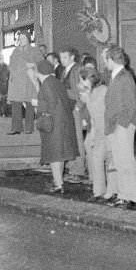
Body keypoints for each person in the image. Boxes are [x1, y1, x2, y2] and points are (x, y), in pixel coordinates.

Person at [33, 59, 79, 194]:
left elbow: (50, 104)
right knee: (60, 154)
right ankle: (59, 182)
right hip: (63, 123)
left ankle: (58, 184)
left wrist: (37, 103)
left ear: (40, 71)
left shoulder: (47, 84)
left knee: (54, 155)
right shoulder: (56, 82)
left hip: (53, 125)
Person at [104, 46, 136, 210]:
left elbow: (131, 104)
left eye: (106, 60)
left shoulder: (124, 77)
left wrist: (121, 125)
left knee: (125, 161)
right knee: (119, 161)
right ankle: (122, 194)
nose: (105, 63)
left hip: (122, 125)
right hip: (116, 125)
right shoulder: (116, 76)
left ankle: (128, 196)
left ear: (111, 60)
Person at [78, 67, 115, 203]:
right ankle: (98, 190)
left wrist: (88, 99)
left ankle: (111, 191)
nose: (81, 83)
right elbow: (92, 116)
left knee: (109, 161)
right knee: (96, 159)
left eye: (83, 80)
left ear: (90, 79)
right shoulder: (91, 92)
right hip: (99, 130)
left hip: (108, 130)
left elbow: (104, 111)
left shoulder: (103, 91)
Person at [7, 31, 43, 135]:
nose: (21, 40)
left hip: (28, 80)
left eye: (23, 38)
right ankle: (16, 128)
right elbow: (11, 65)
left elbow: (41, 63)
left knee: (29, 104)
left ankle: (29, 127)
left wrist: (32, 64)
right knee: (16, 104)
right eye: (20, 38)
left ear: (28, 39)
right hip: (17, 82)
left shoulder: (34, 50)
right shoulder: (15, 51)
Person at [59, 48, 87, 183]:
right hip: (68, 108)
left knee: (77, 139)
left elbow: (82, 88)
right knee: (71, 138)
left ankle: (78, 170)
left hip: (75, 108)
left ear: (72, 57)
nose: (61, 60)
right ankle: (72, 167)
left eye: (64, 57)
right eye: (61, 57)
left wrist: (79, 105)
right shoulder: (65, 71)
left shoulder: (76, 69)